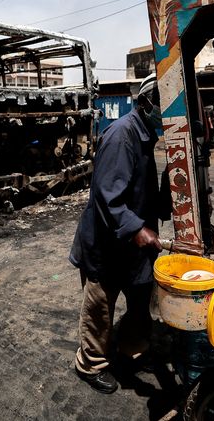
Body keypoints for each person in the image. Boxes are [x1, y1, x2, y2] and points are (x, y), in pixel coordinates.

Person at [69, 73, 169, 394]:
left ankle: (131, 350)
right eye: (163, 106)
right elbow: (106, 196)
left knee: (140, 302)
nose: (165, 114)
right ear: (146, 103)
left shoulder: (146, 134)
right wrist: (136, 228)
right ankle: (90, 363)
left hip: (133, 250)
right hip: (107, 246)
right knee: (100, 309)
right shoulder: (121, 135)